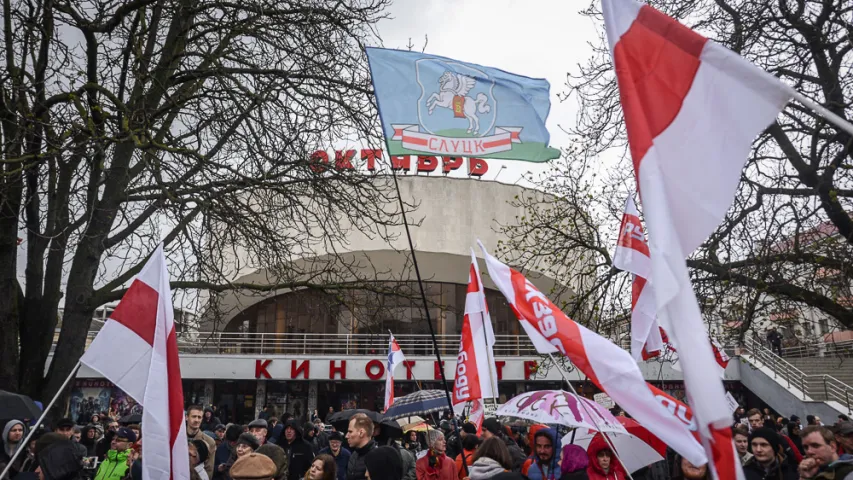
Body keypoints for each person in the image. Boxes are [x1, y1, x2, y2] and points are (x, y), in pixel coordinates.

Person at [187, 406, 217, 478]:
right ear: (186, 417)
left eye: (199, 417)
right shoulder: (178, 439)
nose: (197, 420)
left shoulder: (210, 442)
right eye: (194, 416)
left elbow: (209, 471)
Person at [345, 414, 376, 480]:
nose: (346, 436)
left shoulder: (377, 458)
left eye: (350, 431)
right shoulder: (354, 454)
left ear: (361, 433)